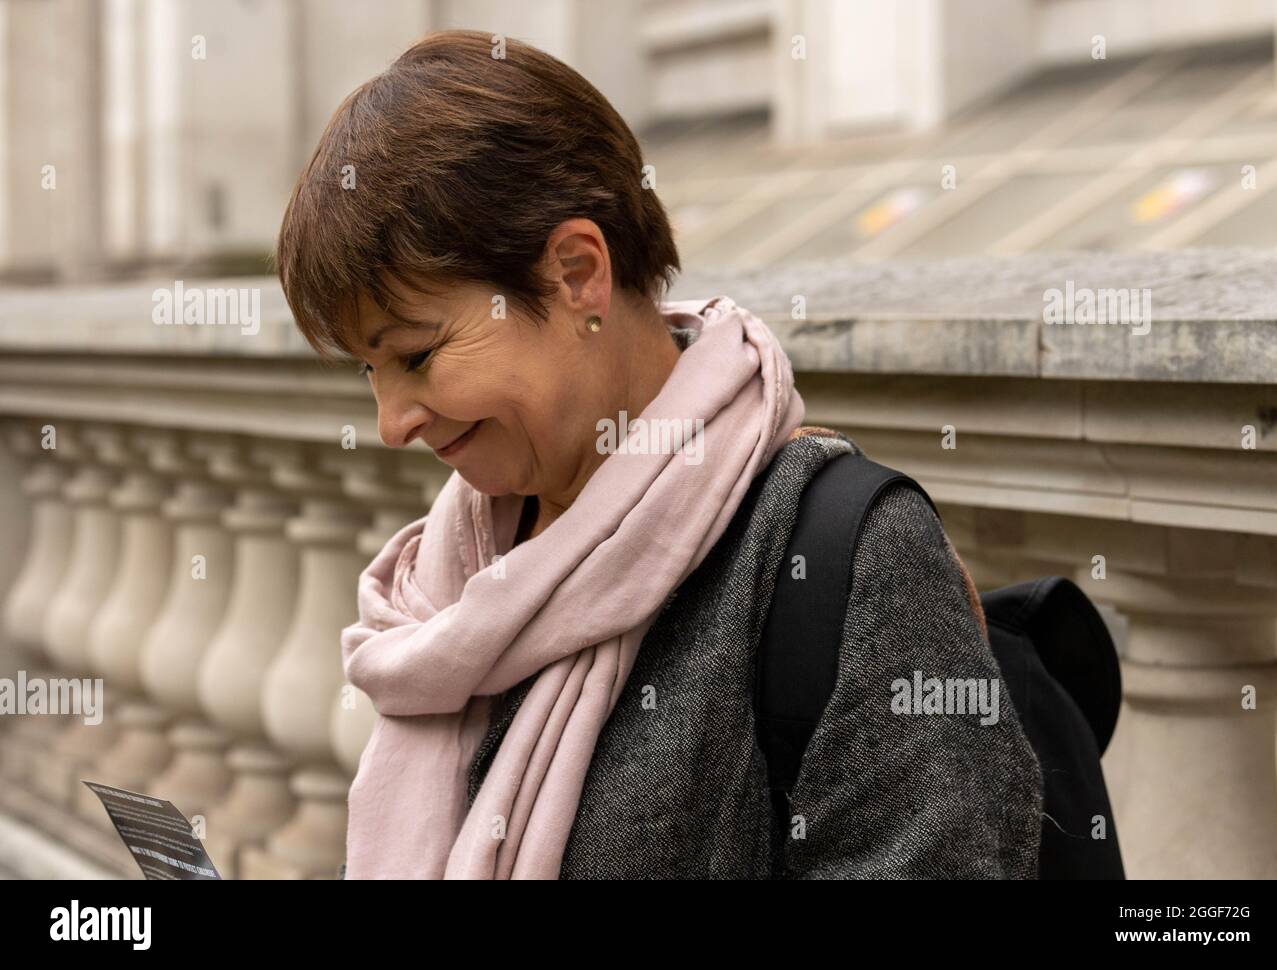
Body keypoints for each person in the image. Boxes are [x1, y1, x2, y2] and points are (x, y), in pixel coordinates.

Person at [276, 29, 1042, 879]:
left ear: (576, 274)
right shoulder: (456, 573)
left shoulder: (848, 558)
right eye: (368, 370)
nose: (391, 422)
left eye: (417, 355)